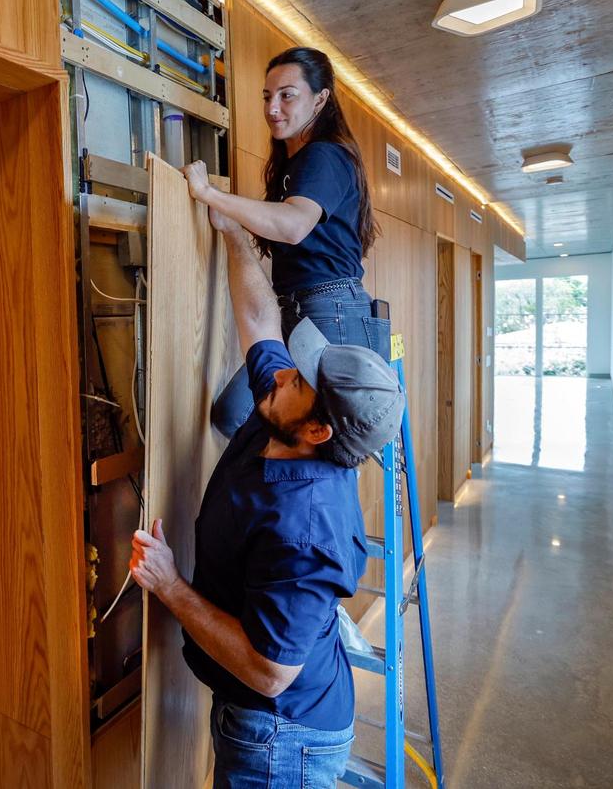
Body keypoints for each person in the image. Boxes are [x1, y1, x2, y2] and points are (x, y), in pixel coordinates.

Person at [129, 207, 405, 789]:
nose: (282, 375)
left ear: (319, 432)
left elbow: (269, 670)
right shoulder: (282, 415)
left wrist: (170, 584)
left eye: (298, 381)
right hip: (256, 719)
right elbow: (260, 321)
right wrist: (231, 228)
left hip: (283, 741)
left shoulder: (305, 531)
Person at [181, 46, 390, 436]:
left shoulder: (324, 156)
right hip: (295, 312)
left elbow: (293, 225)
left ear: (321, 99)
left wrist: (208, 193)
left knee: (323, 442)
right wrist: (231, 227)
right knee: (234, 415)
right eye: (267, 96)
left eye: (287, 95)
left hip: (332, 311)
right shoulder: (293, 167)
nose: (273, 107)